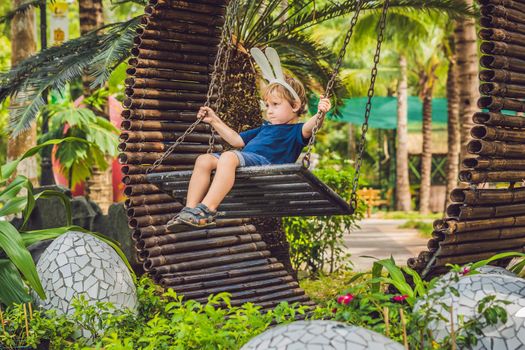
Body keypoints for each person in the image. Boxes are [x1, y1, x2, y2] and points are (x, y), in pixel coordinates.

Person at [166, 47, 332, 231]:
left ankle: (207, 209)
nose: (269, 110)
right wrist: (214, 120)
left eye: (276, 105)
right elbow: (236, 140)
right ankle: (190, 211)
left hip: (267, 165)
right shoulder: (264, 129)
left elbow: (312, 126)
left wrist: (320, 113)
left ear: (295, 106)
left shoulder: (296, 131)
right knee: (203, 160)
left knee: (230, 156)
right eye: (267, 105)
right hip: (246, 160)